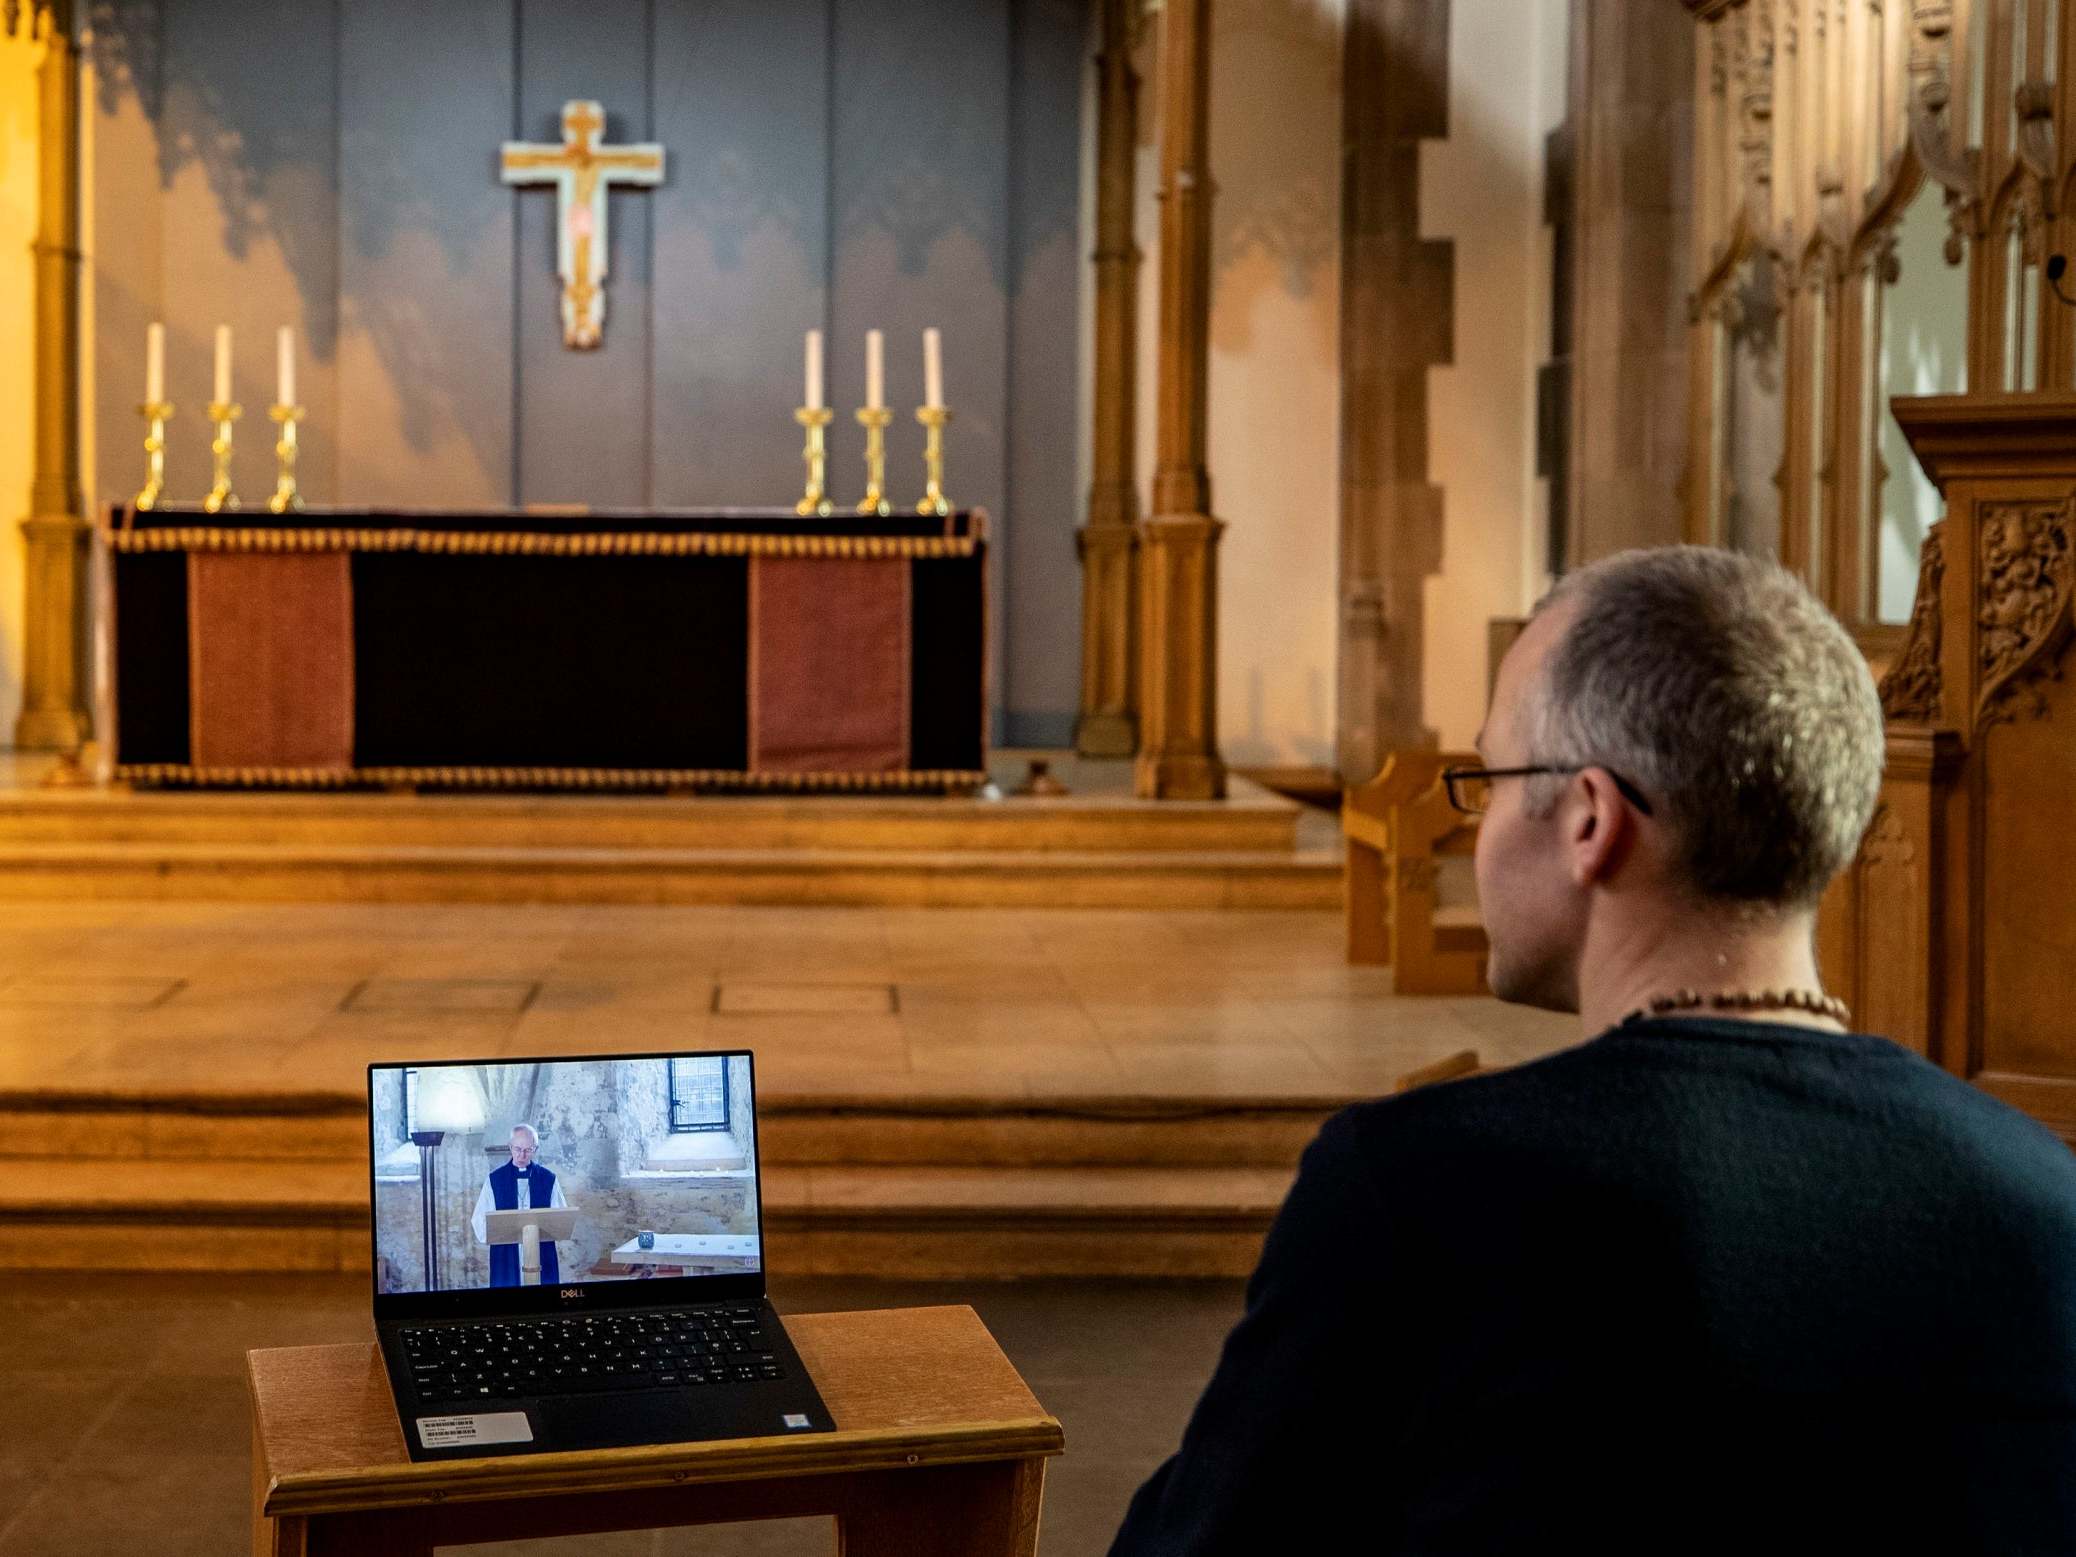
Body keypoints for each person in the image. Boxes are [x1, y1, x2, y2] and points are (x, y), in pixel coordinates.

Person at [1108, 547, 2076, 1554]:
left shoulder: (1420, 1195)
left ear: (1590, 820)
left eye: (1485, 779)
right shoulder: (2042, 1200)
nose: (1471, 836)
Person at [470, 1123, 569, 1287]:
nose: (522, 1155)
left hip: (541, 1251)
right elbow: (479, 1220)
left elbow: (560, 1218)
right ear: (510, 1147)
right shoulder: (495, 1180)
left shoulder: (548, 1178)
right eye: (517, 1149)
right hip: (507, 1254)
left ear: (535, 1149)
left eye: (528, 1150)